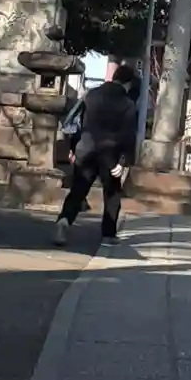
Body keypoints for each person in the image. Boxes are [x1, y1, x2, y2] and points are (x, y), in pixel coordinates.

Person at [54, 63, 140, 245]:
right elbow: (128, 134)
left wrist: (73, 148)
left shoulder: (90, 95)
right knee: (112, 193)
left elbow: (77, 124)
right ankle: (108, 234)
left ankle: (64, 220)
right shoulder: (128, 104)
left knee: (78, 190)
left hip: (86, 149)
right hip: (110, 154)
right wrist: (123, 161)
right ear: (129, 83)